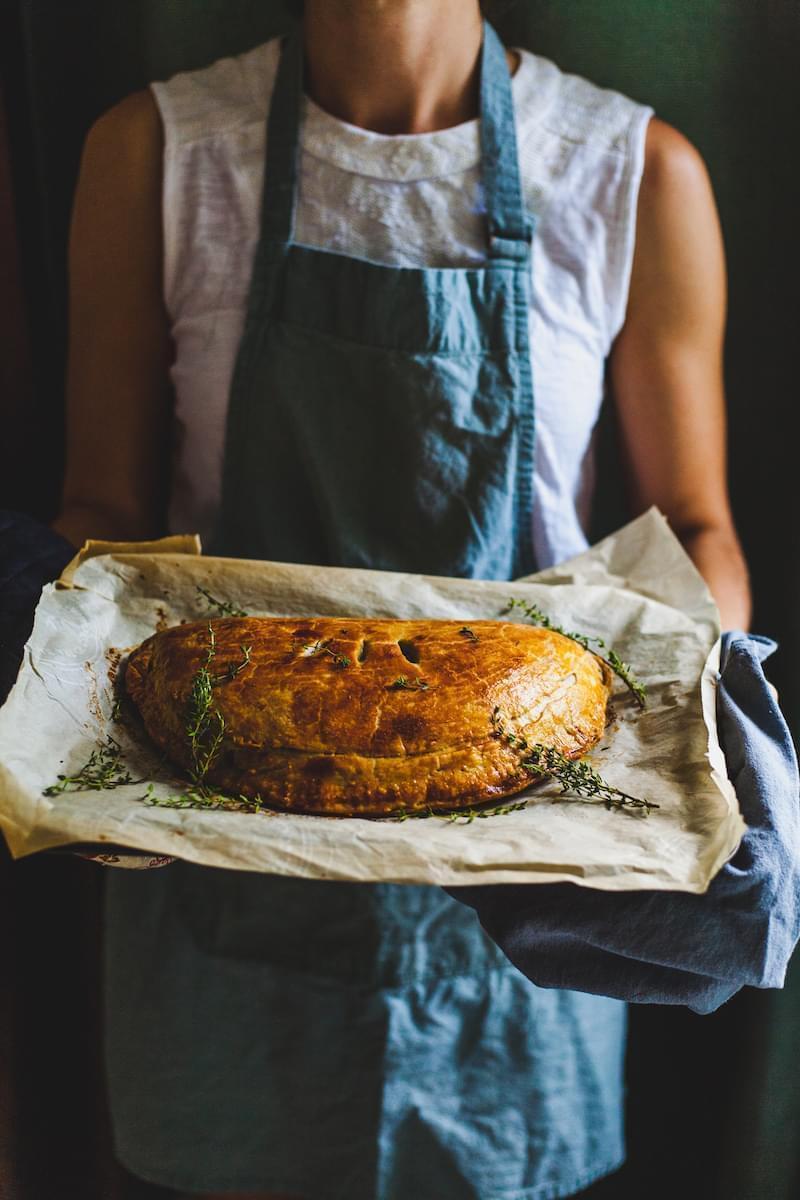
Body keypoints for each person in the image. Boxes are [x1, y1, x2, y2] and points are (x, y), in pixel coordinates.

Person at [51, 1, 752, 1197]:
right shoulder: (155, 153)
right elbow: (101, 518)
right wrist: (76, 738)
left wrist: (659, 738)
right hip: (219, 859)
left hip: (525, 893)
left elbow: (693, 526)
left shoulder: (630, 170)